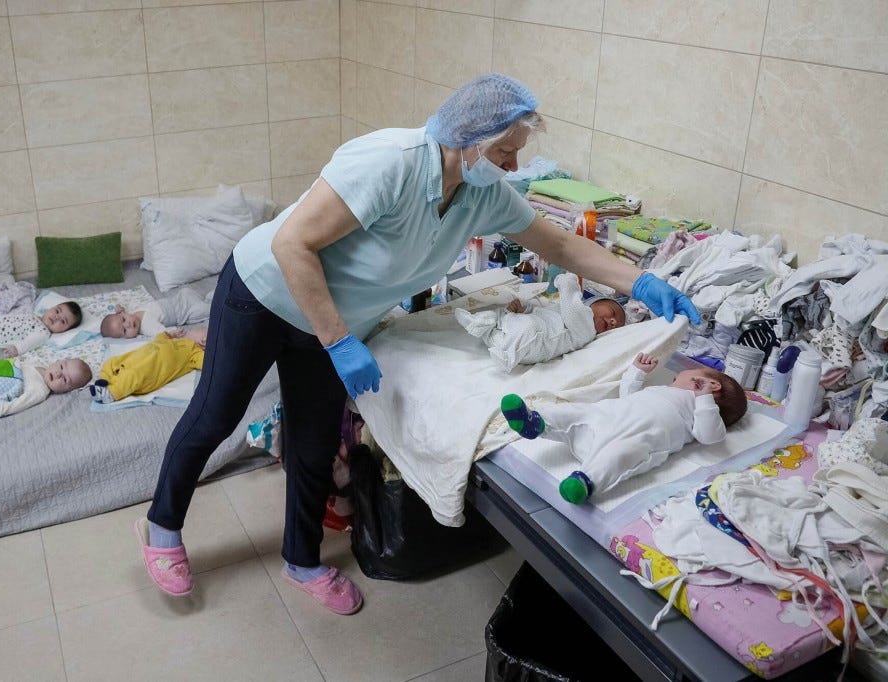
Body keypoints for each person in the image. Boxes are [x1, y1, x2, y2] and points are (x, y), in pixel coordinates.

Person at [135, 73, 700, 612]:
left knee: (311, 443)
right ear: (469, 140)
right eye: (506, 153)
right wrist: (338, 342)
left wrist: (643, 281)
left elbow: (561, 246)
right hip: (266, 292)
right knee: (216, 414)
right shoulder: (389, 162)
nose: (515, 165)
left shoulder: (483, 194)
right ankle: (162, 528)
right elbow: (291, 244)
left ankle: (301, 561)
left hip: (333, 322)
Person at [501, 352, 746, 505]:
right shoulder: (665, 390)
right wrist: (636, 373)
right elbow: (629, 395)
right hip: (606, 415)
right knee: (578, 411)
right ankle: (535, 421)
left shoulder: (700, 411)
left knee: (621, 455)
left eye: (679, 377)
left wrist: (704, 400)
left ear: (711, 384)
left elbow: (710, 437)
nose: (673, 380)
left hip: (634, 439)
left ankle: (586, 481)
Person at [455, 272, 626, 371]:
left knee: (528, 327)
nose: (612, 321)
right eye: (613, 313)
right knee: (503, 316)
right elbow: (543, 311)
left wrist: (568, 281)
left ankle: (506, 355)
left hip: (537, 344)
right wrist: (524, 309)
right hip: (527, 330)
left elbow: (572, 308)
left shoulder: (587, 329)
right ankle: (480, 324)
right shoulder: (565, 308)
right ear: (595, 303)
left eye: (615, 325)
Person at [88, 327, 207, 403]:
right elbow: (159, 338)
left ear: (203, 341)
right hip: (135, 359)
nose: (189, 330)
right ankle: (104, 380)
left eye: (196, 330)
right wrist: (170, 335)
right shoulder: (174, 340)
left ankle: (111, 393)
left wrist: (212, 351)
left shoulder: (194, 352)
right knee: (111, 362)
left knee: (132, 376)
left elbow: (206, 362)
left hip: (149, 373)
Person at [100, 287, 211, 339]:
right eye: (124, 330)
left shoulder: (132, 312)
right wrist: (173, 333)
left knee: (206, 305)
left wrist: (118, 308)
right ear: (124, 338)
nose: (128, 324)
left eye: (123, 320)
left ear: (123, 313)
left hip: (182, 303)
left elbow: (121, 309)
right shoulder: (147, 327)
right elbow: (163, 333)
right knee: (208, 308)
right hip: (185, 308)